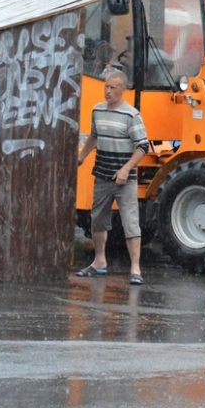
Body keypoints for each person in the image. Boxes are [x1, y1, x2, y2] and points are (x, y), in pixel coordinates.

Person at [75, 69, 149, 284]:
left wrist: (126, 169)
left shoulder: (131, 115)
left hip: (125, 180)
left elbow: (143, 146)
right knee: (97, 219)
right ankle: (99, 262)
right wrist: (82, 156)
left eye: (112, 88)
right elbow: (94, 136)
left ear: (122, 90)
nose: (107, 91)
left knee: (130, 221)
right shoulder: (98, 111)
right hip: (102, 175)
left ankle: (135, 268)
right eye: (106, 86)